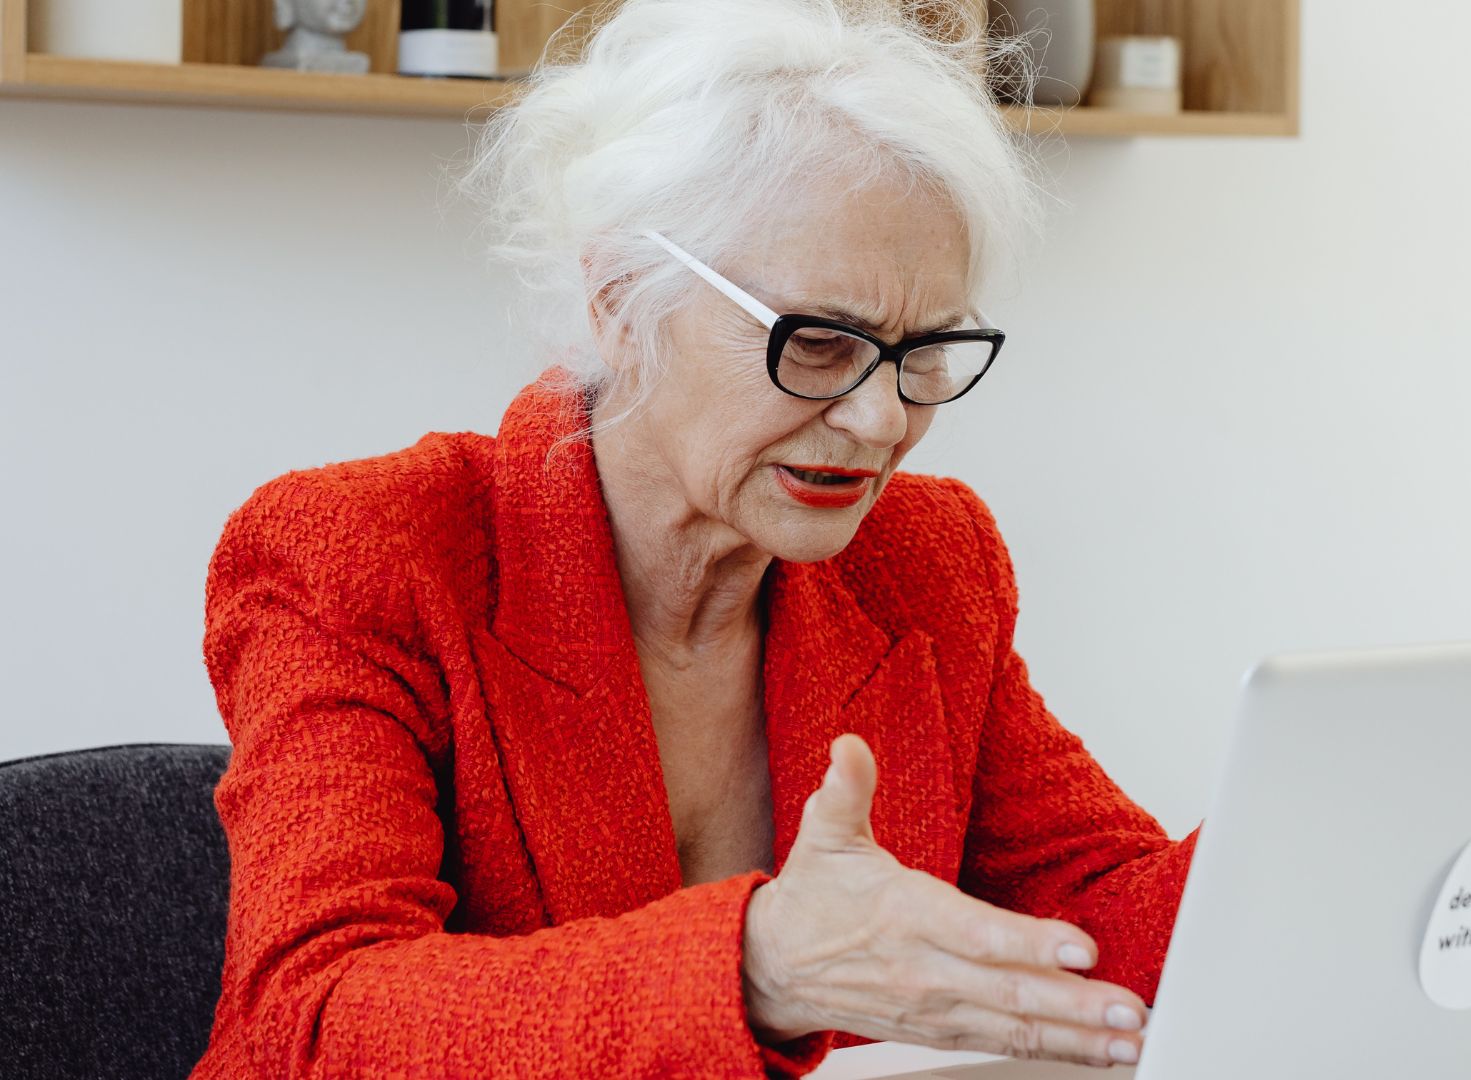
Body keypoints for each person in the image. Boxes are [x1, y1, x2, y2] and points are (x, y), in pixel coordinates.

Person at [190, 1, 1194, 1076]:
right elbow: (317, 1017)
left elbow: (1092, 912)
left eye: (926, 350)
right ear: (623, 300)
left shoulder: (925, 562)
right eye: (816, 342)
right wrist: (755, 969)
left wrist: (1342, 848)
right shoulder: (361, 554)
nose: (881, 420)